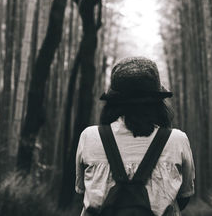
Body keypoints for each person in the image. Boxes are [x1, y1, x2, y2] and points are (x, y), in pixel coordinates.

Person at [75, 57, 195, 216]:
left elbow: (82, 192)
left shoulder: (89, 137)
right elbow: (184, 196)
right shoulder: (177, 140)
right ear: (157, 102)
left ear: (113, 102)